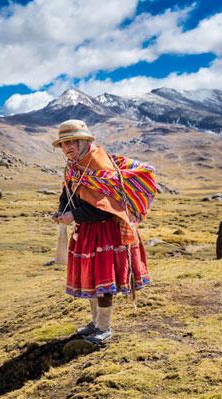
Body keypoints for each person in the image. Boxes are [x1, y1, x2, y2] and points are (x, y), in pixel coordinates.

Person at [52, 119, 153, 344]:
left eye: (72, 142)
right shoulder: (74, 167)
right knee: (91, 277)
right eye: (64, 144)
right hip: (87, 231)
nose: (67, 148)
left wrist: (74, 216)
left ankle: (104, 328)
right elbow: (67, 195)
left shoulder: (99, 166)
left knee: (103, 279)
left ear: (84, 141)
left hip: (107, 232)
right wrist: (62, 212)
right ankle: (95, 322)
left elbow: (107, 209)